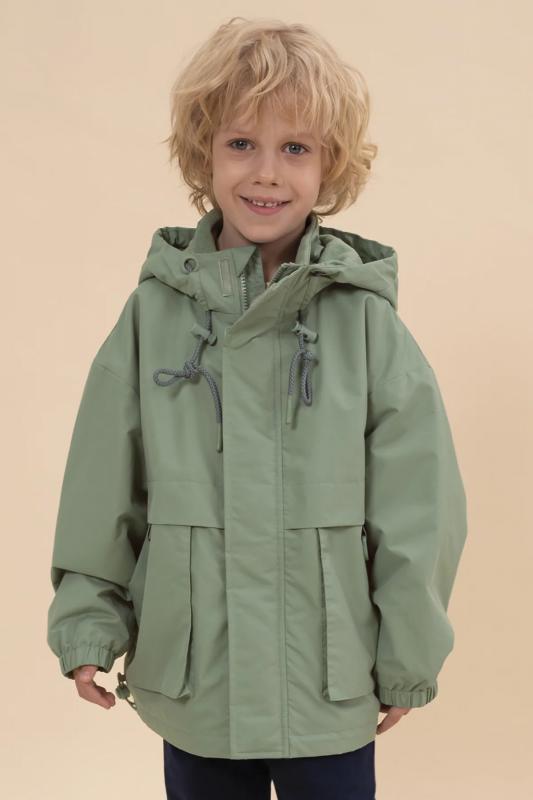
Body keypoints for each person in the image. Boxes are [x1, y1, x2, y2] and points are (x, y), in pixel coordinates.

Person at [46, 16, 468, 800]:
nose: (265, 173)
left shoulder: (364, 322)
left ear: (329, 164)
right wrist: (89, 623)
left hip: (327, 685)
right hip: (195, 680)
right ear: (203, 153)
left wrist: (407, 656)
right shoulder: (153, 315)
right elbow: (103, 487)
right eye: (241, 143)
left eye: (295, 147)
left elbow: (419, 507)